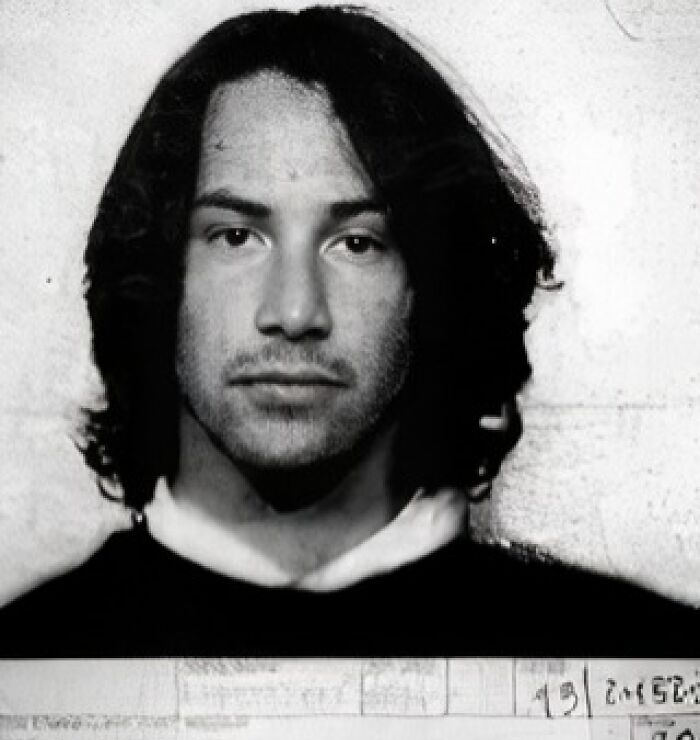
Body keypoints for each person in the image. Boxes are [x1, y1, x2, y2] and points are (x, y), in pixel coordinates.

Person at [1, 5, 697, 657]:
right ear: (155, 274)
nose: (295, 312)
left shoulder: (643, 654)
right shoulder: (29, 656)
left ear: (436, 286)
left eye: (357, 243)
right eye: (236, 236)